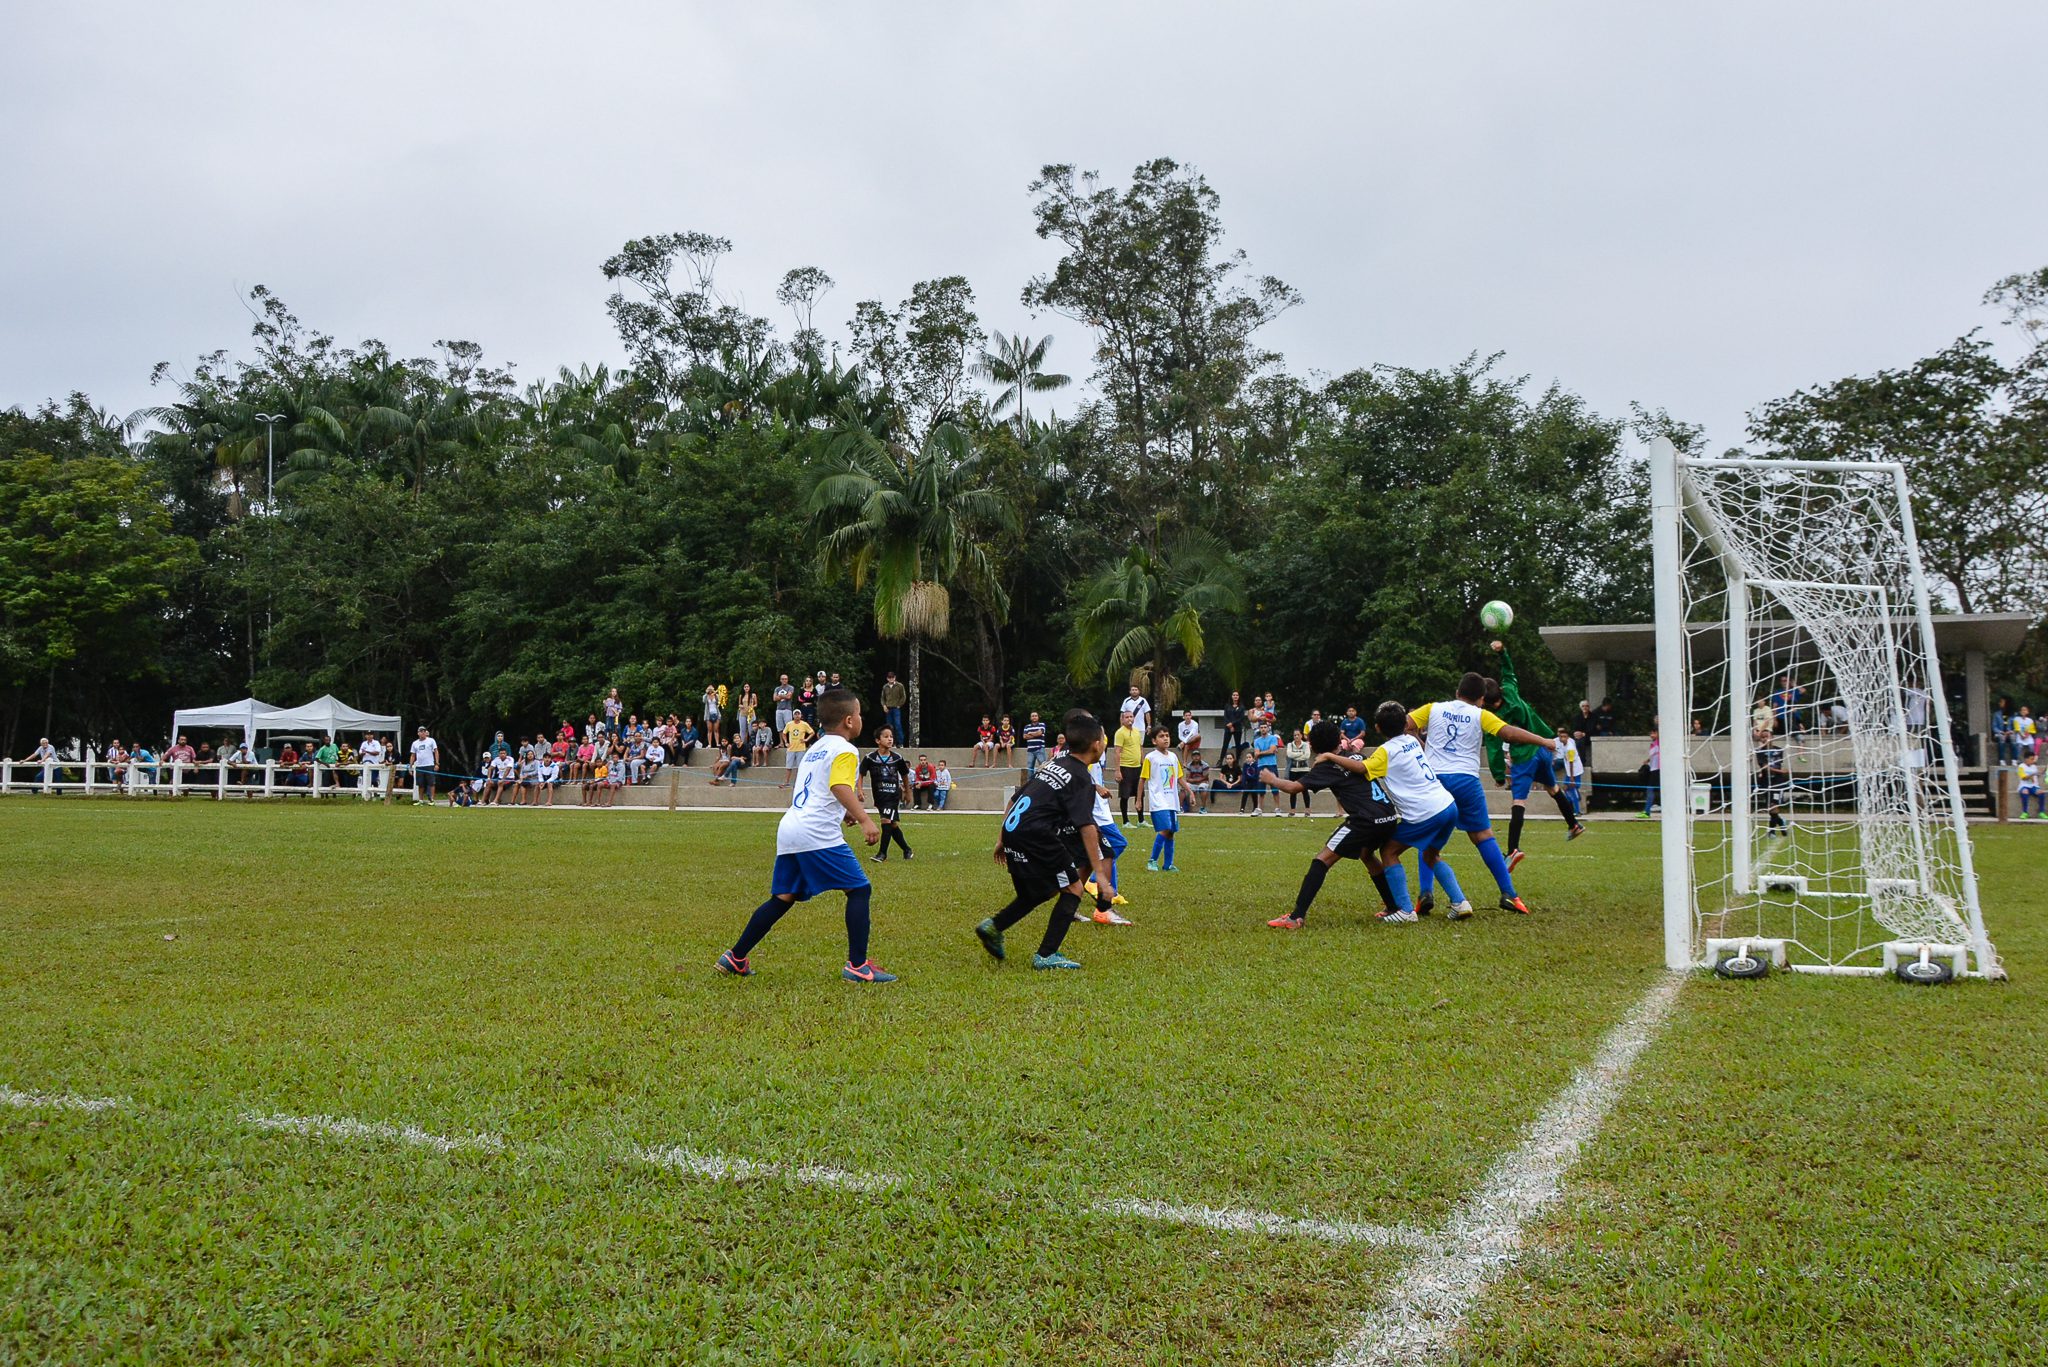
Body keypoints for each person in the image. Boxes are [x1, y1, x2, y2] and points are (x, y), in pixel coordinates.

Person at [715, 688, 895, 983]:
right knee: (859, 890)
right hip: (815, 832)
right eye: (860, 714)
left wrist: (845, 812)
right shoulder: (847, 750)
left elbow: (817, 789)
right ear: (850, 720)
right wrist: (864, 819)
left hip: (791, 827)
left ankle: (735, 957)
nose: (861, 719)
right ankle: (858, 966)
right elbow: (838, 786)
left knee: (783, 897)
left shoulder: (816, 748)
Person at [975, 710, 1121, 971]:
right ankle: (1047, 955)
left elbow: (1020, 797)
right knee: (1074, 888)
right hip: (1037, 836)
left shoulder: (1053, 765)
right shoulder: (1081, 778)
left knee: (1038, 891)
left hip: (1015, 830)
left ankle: (993, 926)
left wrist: (1002, 837)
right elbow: (1087, 827)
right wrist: (1101, 875)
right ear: (1097, 745)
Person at [1409, 674, 1562, 915]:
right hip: (1466, 780)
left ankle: (1425, 894)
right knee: (1483, 836)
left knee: (1428, 837)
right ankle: (1510, 894)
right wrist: (1544, 740)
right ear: (1481, 699)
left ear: (1457, 691)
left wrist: (1420, 745)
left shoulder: (1433, 708)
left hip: (1435, 780)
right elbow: (1509, 734)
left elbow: (1405, 724)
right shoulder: (1481, 714)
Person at [1312, 701, 1473, 923]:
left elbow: (1360, 768)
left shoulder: (1385, 752)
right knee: (1431, 854)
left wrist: (1329, 756)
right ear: (1404, 724)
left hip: (1425, 813)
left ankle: (1405, 911)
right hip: (1448, 806)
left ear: (1377, 728)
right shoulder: (1412, 742)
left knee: (1388, 851)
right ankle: (1460, 902)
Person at [1261, 719, 1401, 928]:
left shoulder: (1327, 766)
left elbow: (1293, 787)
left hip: (1366, 819)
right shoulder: (1354, 756)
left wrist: (1271, 779)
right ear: (1338, 740)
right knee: (1366, 855)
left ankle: (1295, 917)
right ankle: (1393, 907)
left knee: (1322, 860)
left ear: (1314, 746)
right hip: (1389, 816)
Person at [1482, 641, 1587, 865]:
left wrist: (1499, 775)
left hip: (1524, 757)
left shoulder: (1491, 717)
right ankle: (1573, 824)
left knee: (1518, 801)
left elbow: (1493, 748)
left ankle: (1512, 850)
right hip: (1543, 748)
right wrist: (1503, 652)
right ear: (1499, 690)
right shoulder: (1510, 691)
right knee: (1553, 788)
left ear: (1486, 702)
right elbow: (1508, 672)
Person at [1077, 709, 1133, 922]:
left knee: (1104, 852)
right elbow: (1078, 777)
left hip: (1101, 810)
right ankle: (1099, 891)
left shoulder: (1094, 740)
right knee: (1114, 846)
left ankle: (1107, 893)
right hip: (1094, 813)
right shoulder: (1079, 748)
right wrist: (1096, 787)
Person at [1141, 726, 1194, 872]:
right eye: (1161, 736)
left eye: (1167, 735)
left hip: (1172, 801)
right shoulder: (1150, 758)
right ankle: (1152, 860)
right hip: (1158, 801)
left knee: (1171, 832)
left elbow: (1179, 777)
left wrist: (1190, 791)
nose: (1165, 738)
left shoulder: (1173, 757)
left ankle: (1168, 864)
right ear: (1154, 741)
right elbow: (1142, 779)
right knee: (1165, 830)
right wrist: (1139, 800)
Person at [860, 727, 914, 860]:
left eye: (891, 736)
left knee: (886, 820)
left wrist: (907, 792)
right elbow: (861, 773)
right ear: (878, 740)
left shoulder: (897, 758)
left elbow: (905, 775)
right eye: (886, 736)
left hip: (893, 795)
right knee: (892, 824)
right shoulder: (870, 758)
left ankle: (882, 854)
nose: (890, 739)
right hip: (879, 796)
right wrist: (860, 790)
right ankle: (907, 850)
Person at [1755, 725, 1790, 833]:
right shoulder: (1759, 751)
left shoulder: (1779, 750)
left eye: (1767, 736)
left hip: (1777, 781)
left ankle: (1771, 831)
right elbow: (1765, 767)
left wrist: (1779, 772)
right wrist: (1781, 771)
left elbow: (1777, 764)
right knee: (1770, 808)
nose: (1765, 739)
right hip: (1765, 781)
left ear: (1772, 737)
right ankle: (1781, 822)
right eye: (1762, 737)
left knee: (1774, 805)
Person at [1249, 719, 1281, 815]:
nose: (1263, 729)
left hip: (1271, 765)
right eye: (1261, 728)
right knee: (1260, 788)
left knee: (1274, 788)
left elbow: (1271, 751)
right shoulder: (1257, 741)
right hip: (1261, 765)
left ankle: (1277, 808)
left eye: (1264, 727)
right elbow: (1256, 754)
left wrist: (1261, 753)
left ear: (1268, 728)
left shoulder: (1273, 738)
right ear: (1259, 729)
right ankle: (1259, 809)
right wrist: (1264, 752)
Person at [780, 711, 814, 789]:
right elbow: (784, 733)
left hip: (801, 748)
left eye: (798, 714)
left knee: (800, 767)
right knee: (789, 766)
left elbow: (812, 732)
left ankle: (800, 782)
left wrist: (806, 740)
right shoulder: (789, 724)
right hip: (791, 748)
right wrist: (786, 742)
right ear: (793, 716)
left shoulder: (804, 724)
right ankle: (786, 782)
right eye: (795, 714)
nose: (797, 715)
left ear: (800, 715)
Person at [1284, 728, 1312, 815]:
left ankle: (1307, 809)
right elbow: (1289, 754)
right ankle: (1292, 809)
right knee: (1293, 790)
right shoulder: (1290, 745)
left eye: (1298, 735)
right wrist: (1300, 754)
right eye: (1294, 735)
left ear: (1301, 736)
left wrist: (1295, 755)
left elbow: (1307, 756)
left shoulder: (1306, 745)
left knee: (1305, 790)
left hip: (1304, 770)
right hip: (1293, 770)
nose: (1296, 736)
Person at [1638, 720, 1662, 819]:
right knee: (1651, 790)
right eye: (1651, 733)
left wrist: (1659, 724)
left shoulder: (1660, 742)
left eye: (1654, 733)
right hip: (1653, 769)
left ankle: (1647, 811)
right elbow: (1654, 756)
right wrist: (1647, 760)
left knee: (1650, 790)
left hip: (1658, 770)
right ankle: (1647, 811)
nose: (1652, 735)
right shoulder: (1653, 744)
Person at [1558, 730, 1583, 816]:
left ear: (1568, 737)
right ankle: (1572, 805)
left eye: (1565, 737)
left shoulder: (1570, 748)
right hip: (1569, 772)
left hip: (1575, 771)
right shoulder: (1563, 744)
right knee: (1565, 788)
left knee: (1572, 789)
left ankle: (1577, 811)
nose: (1563, 738)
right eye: (1561, 737)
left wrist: (1572, 777)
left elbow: (1571, 763)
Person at [880, 671, 908, 744]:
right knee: (889, 727)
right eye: (890, 677)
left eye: (892, 677)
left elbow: (903, 696)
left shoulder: (899, 686)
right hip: (888, 709)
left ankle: (901, 742)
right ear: (887, 678)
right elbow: (882, 698)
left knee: (898, 725)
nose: (891, 679)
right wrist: (884, 706)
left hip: (896, 708)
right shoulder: (885, 687)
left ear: (895, 678)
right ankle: (892, 743)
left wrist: (899, 704)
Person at [358, 731, 387, 801]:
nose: (369, 736)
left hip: (374, 763)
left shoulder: (376, 743)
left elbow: (377, 752)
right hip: (365, 763)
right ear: (365, 736)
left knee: (374, 780)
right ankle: (367, 794)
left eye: (370, 735)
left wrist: (367, 751)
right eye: (367, 735)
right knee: (365, 779)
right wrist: (363, 753)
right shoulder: (364, 743)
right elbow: (360, 753)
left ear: (373, 736)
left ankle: (376, 793)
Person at [1221, 690, 1247, 760]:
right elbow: (1225, 716)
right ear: (1231, 696)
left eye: (1237, 695)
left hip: (1237, 728)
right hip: (1228, 728)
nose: (1235, 696)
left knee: (1237, 745)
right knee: (1225, 745)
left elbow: (1241, 718)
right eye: (1234, 695)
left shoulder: (1241, 707)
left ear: (1239, 697)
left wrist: (1232, 724)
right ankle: (1220, 761)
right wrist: (1229, 725)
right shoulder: (1227, 706)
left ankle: (1237, 761)